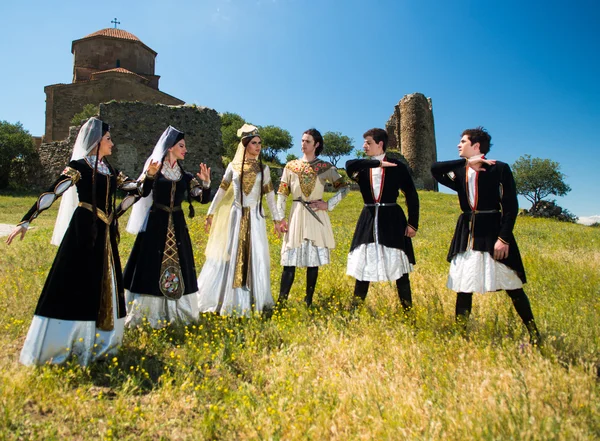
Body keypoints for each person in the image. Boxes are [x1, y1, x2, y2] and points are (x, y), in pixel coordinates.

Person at [6, 117, 142, 366]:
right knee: (76, 280)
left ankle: (100, 339)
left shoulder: (110, 170)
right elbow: (52, 192)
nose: (113, 143)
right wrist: (26, 220)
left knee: (102, 282)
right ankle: (66, 340)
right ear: (96, 141)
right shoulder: (78, 166)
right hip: (84, 229)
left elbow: (136, 190)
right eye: (109, 139)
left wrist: (148, 179)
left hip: (104, 233)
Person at [430, 126, 541, 344]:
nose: (458, 145)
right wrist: (467, 163)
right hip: (467, 232)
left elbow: (510, 206)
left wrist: (504, 238)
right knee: (464, 286)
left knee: (513, 285)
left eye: (463, 142)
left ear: (476, 145)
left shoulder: (499, 168)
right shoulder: (460, 171)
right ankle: (461, 338)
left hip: (492, 230)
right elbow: (434, 169)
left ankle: (535, 334)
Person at [123, 126, 212, 328]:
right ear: (170, 147)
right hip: (156, 223)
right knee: (150, 264)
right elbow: (142, 192)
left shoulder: (185, 176)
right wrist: (150, 175)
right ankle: (148, 313)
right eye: (181, 146)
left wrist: (206, 184)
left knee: (181, 263)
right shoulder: (155, 169)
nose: (185, 150)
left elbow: (201, 198)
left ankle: (178, 311)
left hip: (178, 224)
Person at [197, 124, 283, 316]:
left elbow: (270, 197)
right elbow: (221, 191)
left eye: (260, 143)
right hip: (235, 217)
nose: (258, 146)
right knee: (231, 254)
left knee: (257, 255)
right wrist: (210, 213)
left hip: (255, 218)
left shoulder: (264, 168)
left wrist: (277, 220)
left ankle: (254, 299)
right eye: (254, 143)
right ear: (245, 145)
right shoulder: (233, 167)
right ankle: (227, 299)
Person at [345, 128, 419, 311]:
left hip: (392, 219)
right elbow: (348, 164)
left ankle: (408, 311)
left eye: (368, 143)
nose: (364, 146)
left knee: (399, 267)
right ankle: (355, 311)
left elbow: (411, 194)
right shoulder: (362, 167)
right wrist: (376, 165)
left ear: (380, 144)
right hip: (368, 219)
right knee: (364, 264)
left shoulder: (397, 166)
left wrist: (413, 223)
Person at [276, 128, 348, 307]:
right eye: (302, 140)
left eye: (307, 141)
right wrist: (280, 218)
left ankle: (308, 301)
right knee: (289, 260)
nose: (303, 144)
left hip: (316, 215)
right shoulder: (290, 166)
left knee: (312, 262)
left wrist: (328, 204)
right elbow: (282, 194)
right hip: (296, 215)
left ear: (316, 144)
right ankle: (281, 302)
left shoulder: (325, 168)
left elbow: (344, 188)